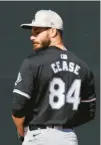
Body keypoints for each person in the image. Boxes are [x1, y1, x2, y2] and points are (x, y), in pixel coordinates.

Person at [11, 10, 96, 145]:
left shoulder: (33, 62)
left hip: (39, 136)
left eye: (37, 32)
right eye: (32, 32)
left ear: (53, 31)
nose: (32, 37)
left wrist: (22, 132)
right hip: (68, 138)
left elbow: (18, 107)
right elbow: (88, 112)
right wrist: (64, 123)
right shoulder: (83, 67)